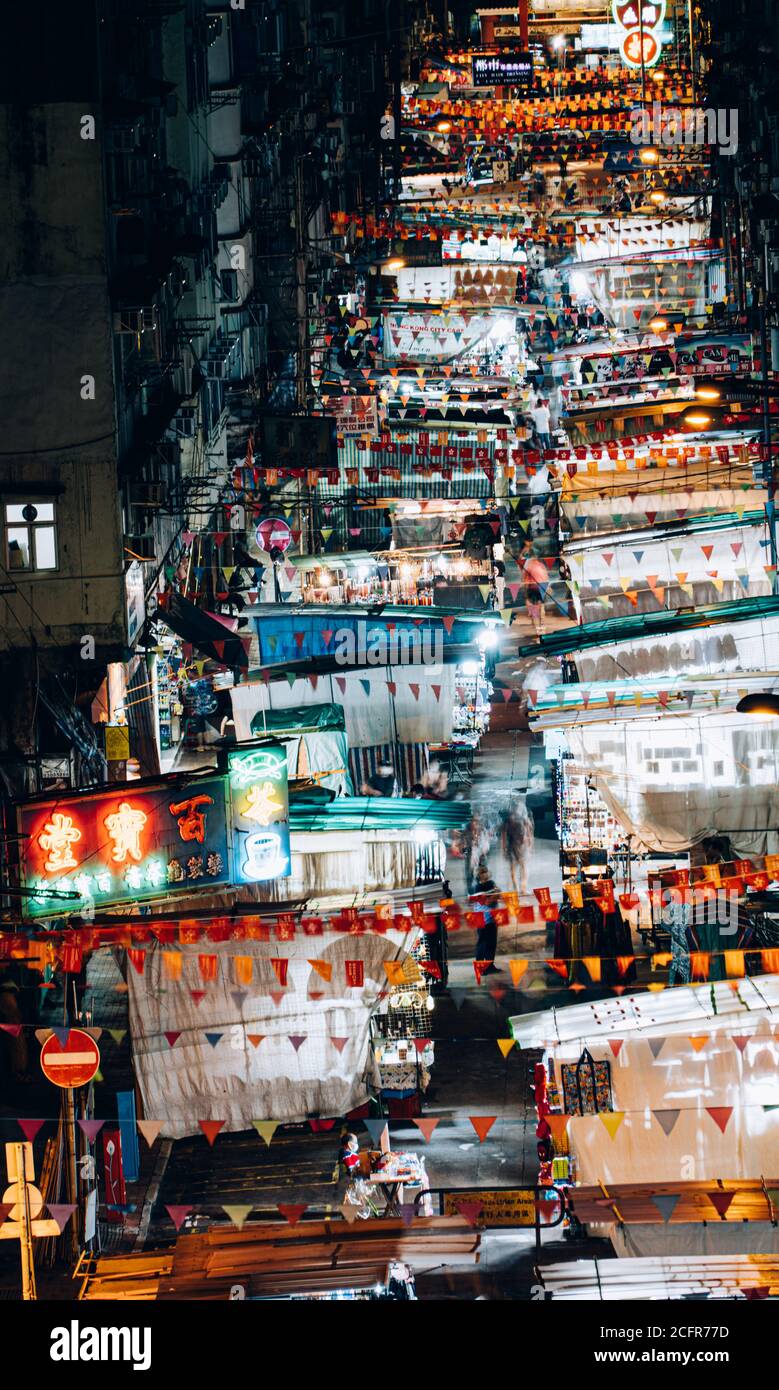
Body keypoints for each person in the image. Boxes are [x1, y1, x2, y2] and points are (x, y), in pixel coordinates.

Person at [500, 797, 535, 894]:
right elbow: (504, 836)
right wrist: (504, 849)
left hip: (522, 847)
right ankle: (516, 889)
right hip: (513, 847)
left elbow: (529, 834)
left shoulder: (524, 820)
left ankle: (522, 888)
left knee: (522, 868)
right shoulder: (508, 822)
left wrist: (530, 845)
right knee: (514, 869)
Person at [473, 863, 501, 974]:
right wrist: (495, 894)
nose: (485, 874)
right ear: (478, 875)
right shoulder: (478, 887)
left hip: (492, 918)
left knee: (491, 943)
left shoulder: (491, 883)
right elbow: (488, 901)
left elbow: (498, 894)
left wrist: (495, 894)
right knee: (482, 943)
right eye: (482, 873)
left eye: (485, 872)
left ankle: (490, 966)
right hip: (482, 919)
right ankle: (480, 967)